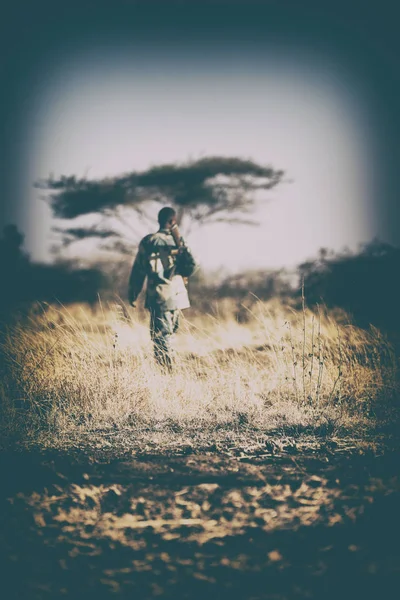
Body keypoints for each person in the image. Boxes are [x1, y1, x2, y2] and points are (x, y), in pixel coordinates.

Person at [128, 207, 197, 370]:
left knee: (160, 337)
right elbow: (192, 266)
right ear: (173, 221)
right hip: (178, 296)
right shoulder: (180, 242)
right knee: (170, 335)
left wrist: (133, 293)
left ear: (159, 220)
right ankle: (170, 371)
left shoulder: (149, 241)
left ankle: (167, 373)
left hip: (159, 295)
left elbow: (138, 270)